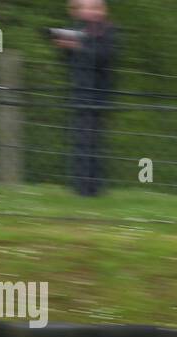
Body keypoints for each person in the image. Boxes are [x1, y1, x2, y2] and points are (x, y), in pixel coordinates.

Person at [49, 0, 116, 197]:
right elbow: (70, 62)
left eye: (92, 7)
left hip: (98, 94)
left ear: (101, 10)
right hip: (78, 91)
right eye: (83, 7)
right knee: (79, 139)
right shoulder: (78, 29)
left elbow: (103, 57)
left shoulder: (108, 31)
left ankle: (91, 189)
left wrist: (78, 47)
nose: (87, 11)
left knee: (92, 140)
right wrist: (64, 47)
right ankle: (80, 187)